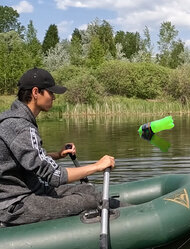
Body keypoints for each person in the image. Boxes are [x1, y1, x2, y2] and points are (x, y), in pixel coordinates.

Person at [0, 68, 115, 226]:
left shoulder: (12, 119)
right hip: (15, 204)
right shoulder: (21, 126)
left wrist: (57, 154)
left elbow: (26, 159)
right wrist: (97, 166)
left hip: (31, 190)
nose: (54, 97)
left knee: (88, 189)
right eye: (50, 92)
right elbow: (54, 176)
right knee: (91, 199)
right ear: (35, 92)